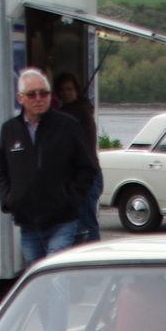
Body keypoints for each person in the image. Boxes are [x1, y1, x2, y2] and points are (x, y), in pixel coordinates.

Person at [0, 68, 98, 265]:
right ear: (20, 98)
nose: (38, 98)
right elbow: (2, 172)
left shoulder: (68, 126)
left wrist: (70, 200)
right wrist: (9, 200)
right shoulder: (10, 130)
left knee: (55, 276)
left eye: (44, 93)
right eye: (32, 94)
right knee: (37, 280)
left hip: (62, 221)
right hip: (28, 223)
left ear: (50, 96)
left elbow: (86, 168)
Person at [54, 72, 103, 243]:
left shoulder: (80, 112)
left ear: (76, 90)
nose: (66, 93)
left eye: (69, 89)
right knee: (79, 224)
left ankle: (94, 261)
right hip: (79, 177)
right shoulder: (69, 111)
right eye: (62, 90)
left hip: (88, 177)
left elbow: (86, 145)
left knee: (88, 225)